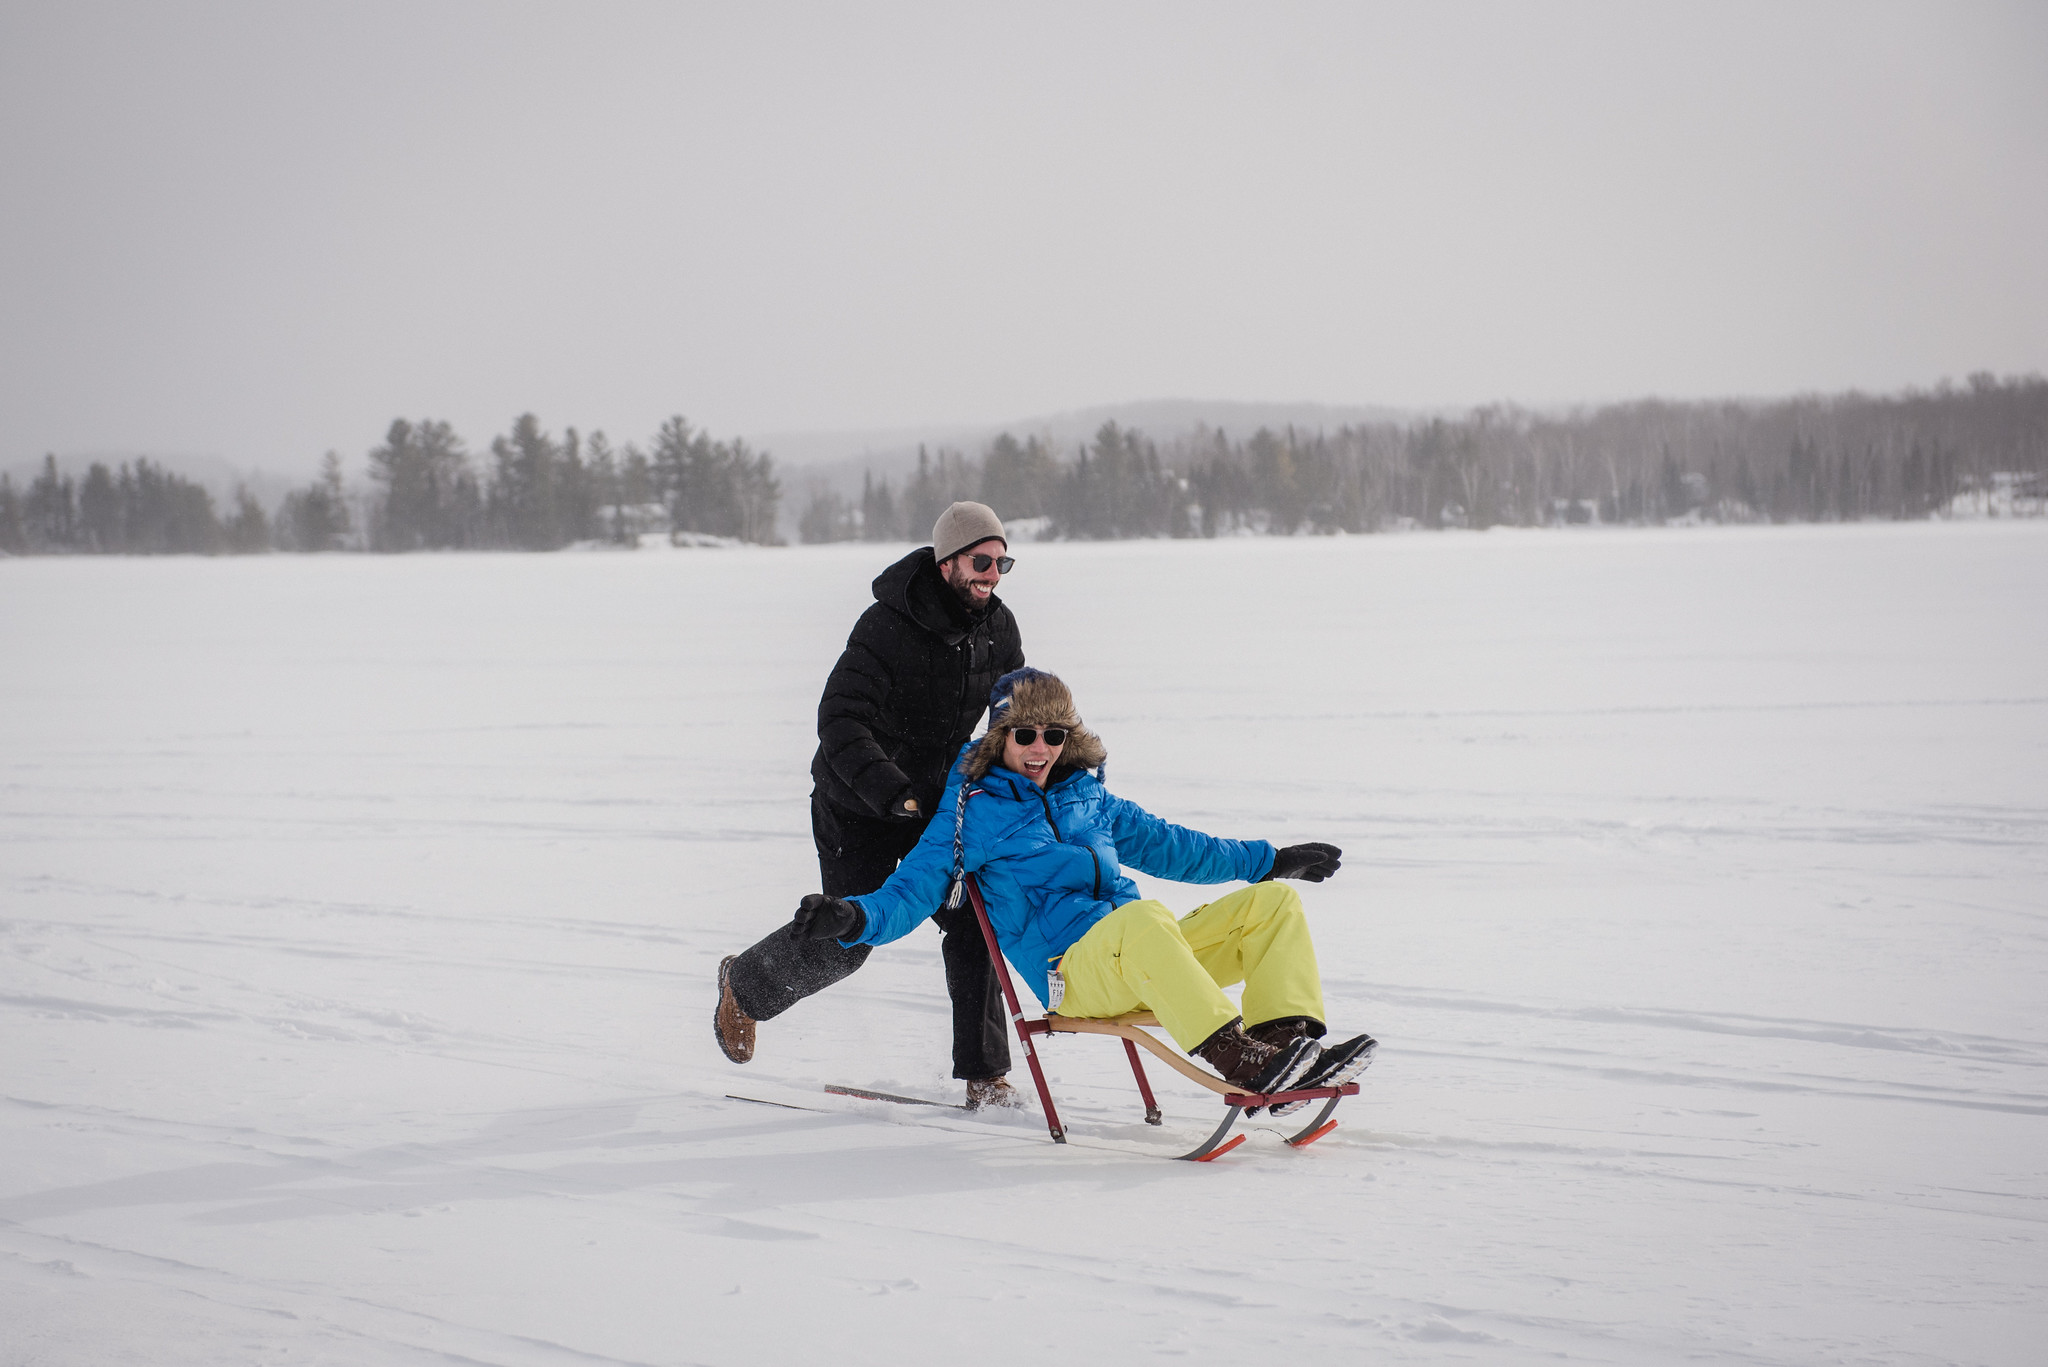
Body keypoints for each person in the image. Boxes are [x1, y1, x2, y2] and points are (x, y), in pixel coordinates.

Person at [787, 668, 1377, 1111]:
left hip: (1143, 955)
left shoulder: (1087, 796)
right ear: (1000, 738)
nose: (1040, 748)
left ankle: (1285, 1045)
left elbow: (1177, 846)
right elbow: (910, 891)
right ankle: (1236, 1056)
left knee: (1273, 906)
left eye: (1053, 734)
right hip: (1072, 974)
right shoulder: (970, 813)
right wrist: (852, 917)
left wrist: (1272, 862)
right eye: (1024, 734)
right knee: (1144, 921)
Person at [715, 501, 1027, 1108]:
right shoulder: (887, 625)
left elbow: (1012, 710)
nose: (993, 574)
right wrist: (893, 791)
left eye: (1003, 562)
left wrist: (1025, 769)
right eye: (982, 561)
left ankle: (985, 1078)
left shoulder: (999, 626)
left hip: (936, 806)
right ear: (947, 564)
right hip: (857, 804)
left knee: (974, 919)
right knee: (851, 938)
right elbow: (840, 718)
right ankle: (744, 986)